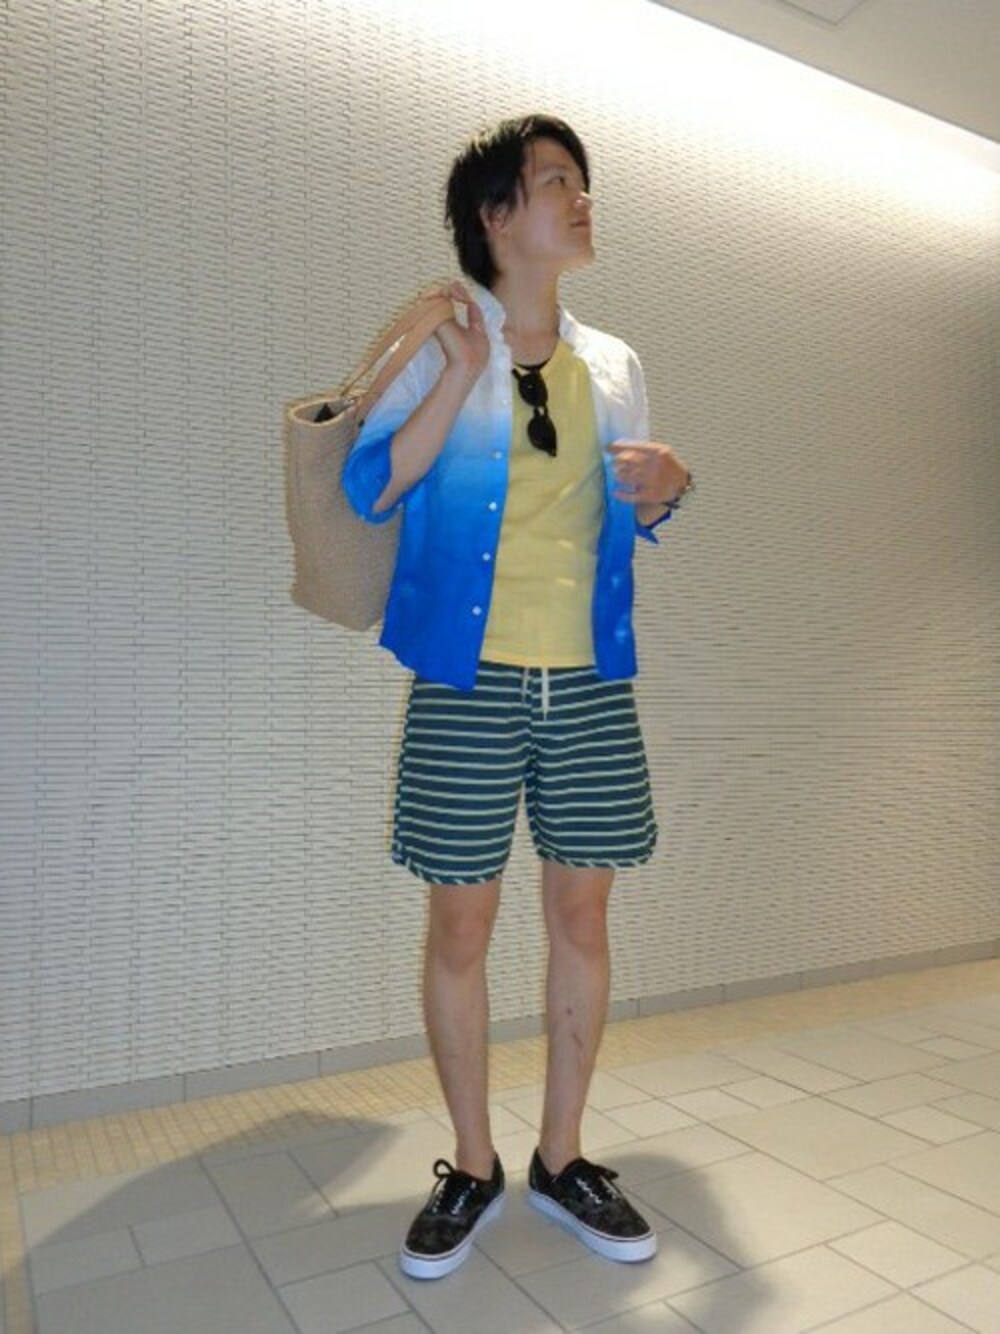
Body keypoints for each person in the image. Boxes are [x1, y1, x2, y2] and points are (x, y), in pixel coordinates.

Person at [343, 113, 693, 1281]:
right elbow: (371, 486)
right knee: (461, 923)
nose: (580, 198)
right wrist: (453, 374)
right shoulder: (441, 342)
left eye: (581, 182)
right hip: (466, 679)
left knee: (583, 917)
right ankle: (473, 1162)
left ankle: (560, 1156)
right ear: (495, 214)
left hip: (588, 679)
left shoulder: (615, 364)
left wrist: (669, 484)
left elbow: (637, 509)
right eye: (555, 181)